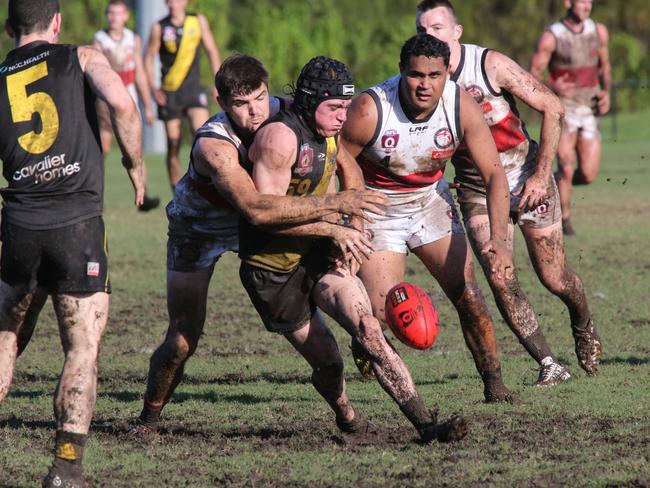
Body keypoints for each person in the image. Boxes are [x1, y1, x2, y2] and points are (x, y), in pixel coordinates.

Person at [132, 54, 392, 435]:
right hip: (200, 227)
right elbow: (255, 208)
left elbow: (342, 161)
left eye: (259, 98)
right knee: (183, 337)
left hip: (268, 223)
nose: (254, 112)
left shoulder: (291, 112)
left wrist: (353, 219)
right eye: (241, 104)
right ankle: (149, 419)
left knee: (337, 289)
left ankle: (350, 385)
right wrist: (334, 212)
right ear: (220, 102)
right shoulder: (214, 145)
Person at [239, 55, 469, 443]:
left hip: (318, 255)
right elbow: (265, 215)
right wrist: (333, 220)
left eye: (347, 107)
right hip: (273, 270)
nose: (343, 117)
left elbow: (353, 172)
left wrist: (354, 230)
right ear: (310, 102)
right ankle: (345, 412)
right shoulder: (279, 138)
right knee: (329, 362)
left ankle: (426, 425)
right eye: (334, 107)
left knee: (369, 329)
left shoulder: (329, 130)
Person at [415, 1, 602, 380]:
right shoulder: (420, 81)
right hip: (477, 190)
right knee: (500, 277)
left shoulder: (489, 66)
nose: (428, 36)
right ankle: (549, 364)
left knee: (555, 278)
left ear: (457, 32)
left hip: (527, 177)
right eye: (421, 31)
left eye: (436, 28)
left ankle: (583, 322)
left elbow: (552, 107)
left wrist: (540, 174)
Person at [0, 0, 146, 486]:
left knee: (4, 338)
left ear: (8, 27)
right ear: (57, 24)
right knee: (81, 349)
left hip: (18, 226)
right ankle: (66, 468)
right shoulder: (80, 56)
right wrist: (135, 165)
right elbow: (123, 103)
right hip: (77, 226)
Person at [341, 34, 517, 403]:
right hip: (378, 209)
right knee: (383, 317)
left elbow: (495, 175)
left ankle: (495, 387)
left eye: (434, 75)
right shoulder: (371, 109)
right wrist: (343, 224)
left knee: (470, 296)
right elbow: (338, 164)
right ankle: (365, 342)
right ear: (400, 72)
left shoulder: (460, 105)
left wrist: (499, 240)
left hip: (429, 202)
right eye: (415, 75)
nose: (425, 85)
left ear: (448, 72)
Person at [530, 0, 611, 236]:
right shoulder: (553, 36)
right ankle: (565, 219)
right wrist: (553, 85)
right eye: (582, 0)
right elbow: (534, 73)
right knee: (566, 166)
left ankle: (556, 184)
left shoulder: (599, 31)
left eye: (589, 1)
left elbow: (604, 65)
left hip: (589, 108)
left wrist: (606, 93)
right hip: (564, 109)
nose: (587, 5)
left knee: (587, 174)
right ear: (568, 2)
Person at [144, 0, 221, 190]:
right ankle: (177, 189)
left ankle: (207, 185)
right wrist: (153, 89)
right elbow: (148, 58)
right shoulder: (159, 27)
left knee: (203, 136)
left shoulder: (197, 21)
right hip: (170, 93)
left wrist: (219, 81)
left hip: (193, 89)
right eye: (169, 0)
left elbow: (211, 50)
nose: (173, 3)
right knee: (173, 144)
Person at [94, 0, 160, 211]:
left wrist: (148, 106)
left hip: (129, 95)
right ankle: (94, 194)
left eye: (118, 13)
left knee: (135, 148)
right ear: (107, 16)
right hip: (106, 97)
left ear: (125, 16)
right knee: (101, 148)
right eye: (111, 13)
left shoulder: (133, 39)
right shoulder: (100, 40)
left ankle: (143, 196)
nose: (114, 17)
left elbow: (139, 71)